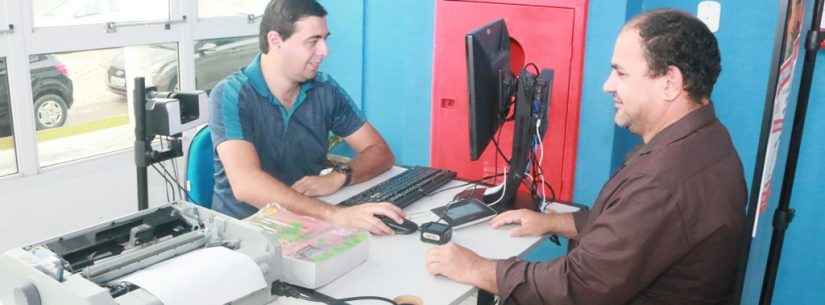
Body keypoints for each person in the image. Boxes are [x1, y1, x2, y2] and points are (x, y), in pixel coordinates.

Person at [425, 9, 747, 305]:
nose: (608, 86)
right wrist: (557, 222)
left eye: (620, 73)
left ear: (670, 83)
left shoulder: (663, 181)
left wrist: (478, 269)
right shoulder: (707, 141)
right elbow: (633, 228)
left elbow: (578, 287)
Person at [208, 0, 404, 235]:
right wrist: (334, 215)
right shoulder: (230, 94)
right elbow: (246, 184)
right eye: (313, 41)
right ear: (275, 40)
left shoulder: (324, 89)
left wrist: (339, 177)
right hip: (246, 233)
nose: (324, 51)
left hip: (306, 223)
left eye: (325, 39)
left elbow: (380, 152)